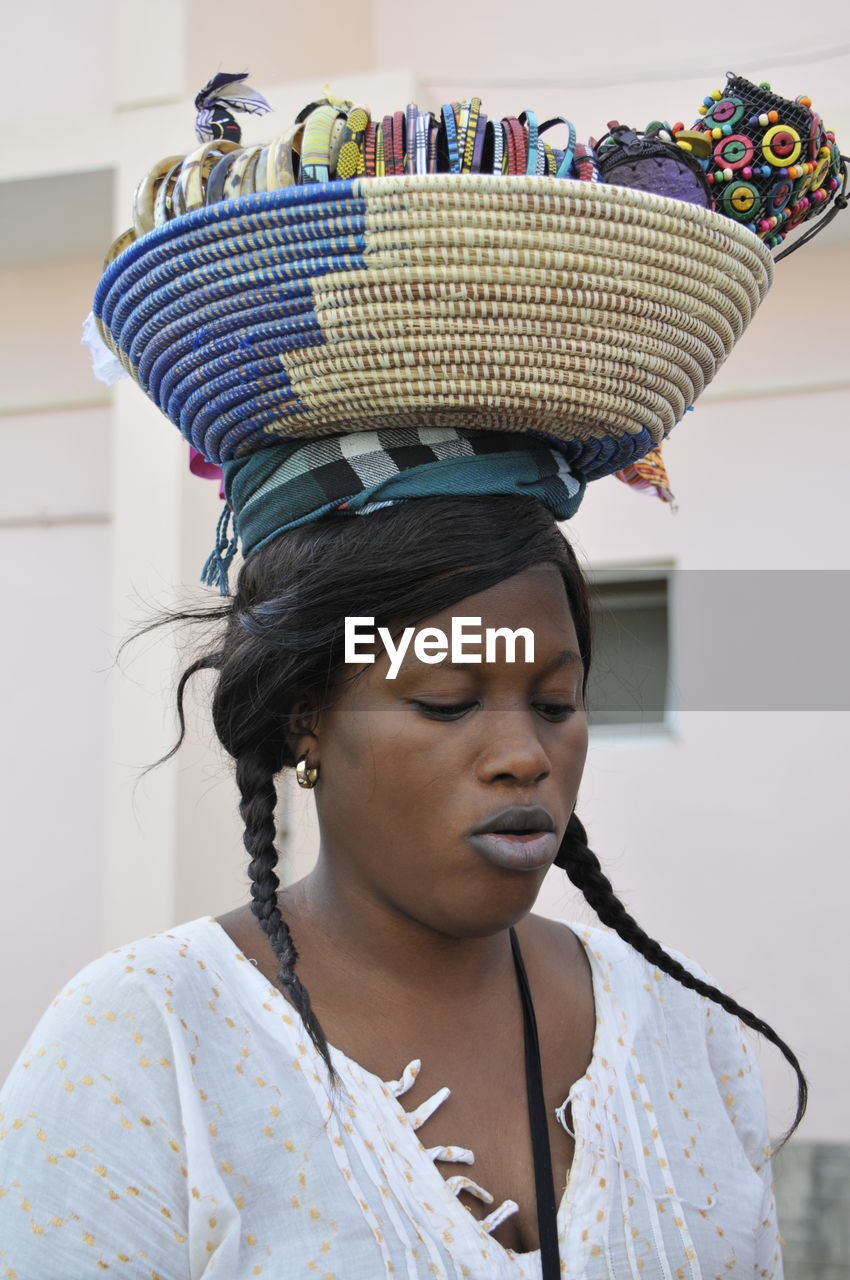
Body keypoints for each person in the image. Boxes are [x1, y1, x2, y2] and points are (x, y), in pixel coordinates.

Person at [2, 74, 840, 1276]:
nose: (522, 750)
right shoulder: (144, 1049)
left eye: (555, 699)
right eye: (446, 697)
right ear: (305, 715)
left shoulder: (683, 1042)